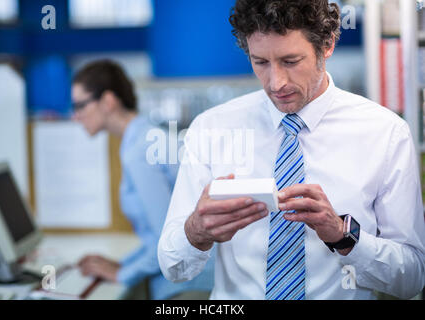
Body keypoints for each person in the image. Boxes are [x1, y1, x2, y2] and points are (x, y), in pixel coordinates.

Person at [158, 0, 425, 300]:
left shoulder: (386, 134)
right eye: (260, 62)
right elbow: (172, 267)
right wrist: (196, 232)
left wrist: (343, 235)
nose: (276, 83)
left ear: (327, 45)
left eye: (290, 61)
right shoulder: (211, 129)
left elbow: (412, 277)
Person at [71, 60, 214, 300]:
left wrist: (122, 275)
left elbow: (164, 242)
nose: (76, 116)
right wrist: (122, 263)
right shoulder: (144, 136)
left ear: (108, 102)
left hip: (188, 286)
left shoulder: (140, 151)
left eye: (80, 105)